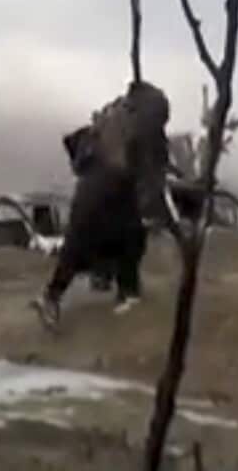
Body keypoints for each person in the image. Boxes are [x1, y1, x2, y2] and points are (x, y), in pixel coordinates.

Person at [32, 81, 171, 330]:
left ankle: (56, 295)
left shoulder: (113, 114)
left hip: (92, 189)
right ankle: (124, 292)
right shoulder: (146, 128)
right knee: (128, 240)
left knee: (82, 246)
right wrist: (152, 209)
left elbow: (76, 141)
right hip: (109, 192)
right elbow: (152, 175)